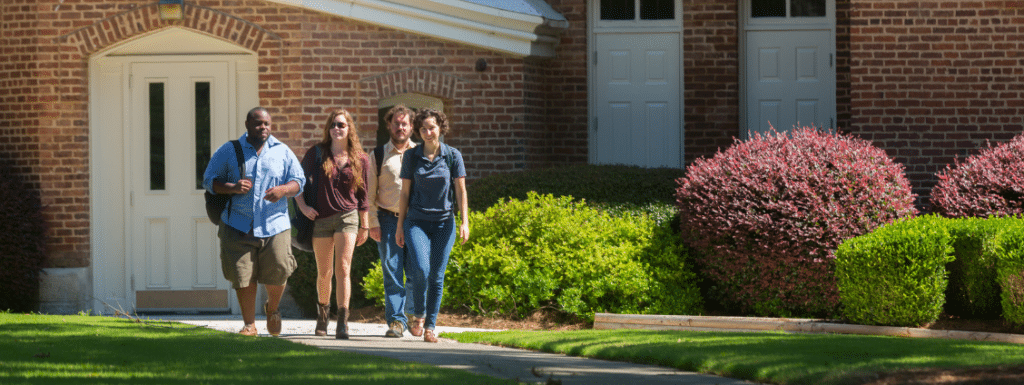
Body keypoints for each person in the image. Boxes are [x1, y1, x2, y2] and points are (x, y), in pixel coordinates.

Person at [203, 107, 305, 337]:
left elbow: (299, 180)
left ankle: (273, 309)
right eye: (258, 123)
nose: (264, 128)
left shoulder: (282, 151)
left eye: (267, 124)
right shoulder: (229, 150)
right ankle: (249, 324)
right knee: (242, 275)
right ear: (247, 124)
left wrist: (284, 190)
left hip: (275, 224)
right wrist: (232, 187)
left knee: (279, 269)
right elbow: (209, 180)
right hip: (238, 223)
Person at [295, 109, 370, 339]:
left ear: (349, 129)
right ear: (328, 129)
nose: (337, 129)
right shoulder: (316, 153)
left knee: (344, 269)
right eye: (333, 125)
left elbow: (364, 195)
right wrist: (303, 207)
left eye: (341, 125)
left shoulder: (361, 159)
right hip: (321, 219)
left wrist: (364, 225)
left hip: (348, 217)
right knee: (324, 272)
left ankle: (343, 322)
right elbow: (297, 181)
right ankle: (322, 316)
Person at [396, 108, 470, 343]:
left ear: (441, 128)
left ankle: (430, 326)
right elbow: (405, 193)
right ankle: (418, 313)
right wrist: (400, 226)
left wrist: (465, 222)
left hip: (444, 224)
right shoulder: (412, 156)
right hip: (416, 222)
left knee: (437, 276)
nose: (428, 132)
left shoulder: (452, 156)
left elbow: (461, 190)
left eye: (432, 127)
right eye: (423, 129)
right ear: (418, 131)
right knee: (421, 269)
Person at [367, 105, 420, 338]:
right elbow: (368, 195)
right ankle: (397, 322)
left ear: (411, 127)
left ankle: (414, 315)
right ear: (389, 125)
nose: (400, 127)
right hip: (388, 220)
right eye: (396, 123)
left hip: (417, 222)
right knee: (392, 271)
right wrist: (372, 223)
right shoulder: (378, 155)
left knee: (418, 270)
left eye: (404, 123)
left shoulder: (420, 154)